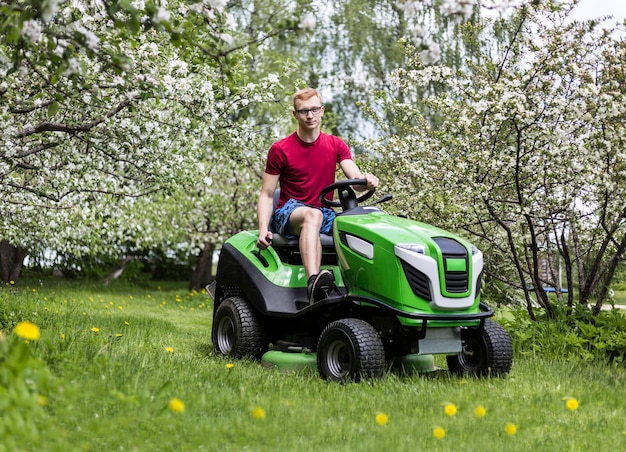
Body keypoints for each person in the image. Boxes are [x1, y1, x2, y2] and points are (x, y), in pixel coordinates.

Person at [256, 88, 379, 304]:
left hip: (324, 211)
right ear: (295, 115)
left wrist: (367, 182)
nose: (310, 116)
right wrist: (263, 229)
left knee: (370, 219)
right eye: (304, 111)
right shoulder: (280, 149)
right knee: (313, 215)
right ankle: (314, 283)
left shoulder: (336, 145)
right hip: (290, 212)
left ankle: (367, 289)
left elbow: (356, 180)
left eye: (314, 109)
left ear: (322, 111)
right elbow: (267, 194)